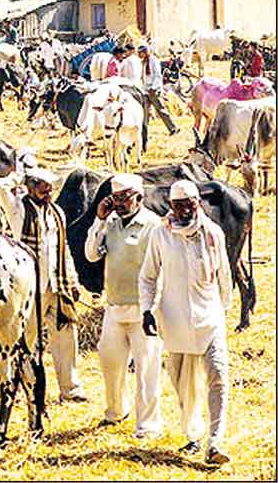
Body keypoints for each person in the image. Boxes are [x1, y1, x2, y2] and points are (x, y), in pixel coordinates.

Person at [139, 180, 233, 465]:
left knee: (218, 377)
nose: (183, 210)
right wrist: (146, 310)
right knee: (182, 384)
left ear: (198, 203)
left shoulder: (213, 233)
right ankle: (193, 435)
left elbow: (224, 277)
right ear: (171, 206)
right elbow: (148, 277)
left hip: (210, 318)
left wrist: (223, 311)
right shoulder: (160, 234)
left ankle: (215, 443)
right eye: (178, 205)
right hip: (175, 320)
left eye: (189, 204)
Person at [0, 167, 86, 403]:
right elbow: (0, 187)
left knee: (66, 336)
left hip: (57, 283)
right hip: (30, 287)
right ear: (31, 187)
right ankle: (20, 388)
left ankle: (70, 388)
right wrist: (19, 175)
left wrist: (72, 280)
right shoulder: (18, 210)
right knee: (27, 339)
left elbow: (62, 249)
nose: (48, 192)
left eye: (50, 188)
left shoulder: (57, 213)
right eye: (43, 188)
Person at [85, 174, 163, 438]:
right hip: (115, 306)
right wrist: (99, 219)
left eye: (124, 198)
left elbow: (162, 268)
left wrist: (154, 309)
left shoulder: (153, 225)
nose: (119, 203)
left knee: (146, 369)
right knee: (110, 361)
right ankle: (116, 411)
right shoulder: (111, 223)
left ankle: (148, 426)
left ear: (139, 198)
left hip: (144, 310)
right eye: (115, 198)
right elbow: (91, 254)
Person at [139, 45, 179, 141]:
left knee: (161, 110)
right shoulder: (143, 63)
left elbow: (157, 75)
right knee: (145, 112)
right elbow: (143, 77)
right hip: (146, 90)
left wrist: (153, 88)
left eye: (141, 53)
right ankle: (144, 132)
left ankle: (173, 128)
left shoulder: (153, 61)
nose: (139, 55)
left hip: (154, 90)